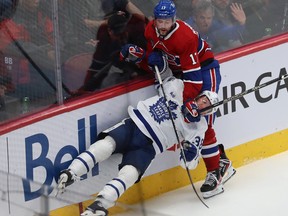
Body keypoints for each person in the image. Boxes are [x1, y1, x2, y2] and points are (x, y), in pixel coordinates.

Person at [119, 0, 236, 199]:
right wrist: (142, 58)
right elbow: (157, 67)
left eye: (167, 21)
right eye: (160, 21)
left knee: (202, 121)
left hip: (205, 72)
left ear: (174, 20)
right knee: (190, 118)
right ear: (155, 20)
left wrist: (189, 102)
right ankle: (220, 159)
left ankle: (216, 171)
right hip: (183, 74)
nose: (163, 26)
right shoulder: (150, 31)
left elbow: (194, 79)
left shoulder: (185, 37)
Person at [57, 74, 220, 216]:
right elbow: (162, 80)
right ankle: (71, 172)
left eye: (207, 106)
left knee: (130, 174)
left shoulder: (199, 128)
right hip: (134, 125)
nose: (203, 105)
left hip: (149, 147)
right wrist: (182, 107)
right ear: (198, 96)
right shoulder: (178, 87)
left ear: (207, 113)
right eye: (203, 100)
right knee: (106, 145)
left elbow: (189, 164)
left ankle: (100, 205)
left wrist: (190, 152)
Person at [76, 10, 148, 93]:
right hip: (131, 76)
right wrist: (85, 89)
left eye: (123, 33)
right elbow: (96, 67)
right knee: (109, 81)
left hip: (150, 72)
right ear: (110, 31)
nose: (121, 37)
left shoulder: (138, 29)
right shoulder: (105, 38)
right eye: (117, 34)